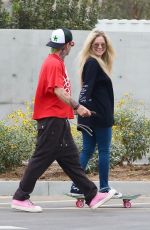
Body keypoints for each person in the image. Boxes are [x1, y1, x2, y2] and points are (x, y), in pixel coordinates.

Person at [11, 28, 116, 212]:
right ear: (68, 45)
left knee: (71, 160)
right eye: (70, 45)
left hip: (58, 119)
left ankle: (91, 195)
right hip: (51, 119)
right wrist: (78, 107)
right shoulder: (53, 63)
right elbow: (58, 90)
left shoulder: (56, 62)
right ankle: (20, 197)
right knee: (41, 158)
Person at [70, 29, 122, 197]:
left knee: (88, 150)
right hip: (99, 117)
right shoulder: (92, 63)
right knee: (104, 151)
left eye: (102, 45)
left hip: (92, 116)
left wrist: (85, 112)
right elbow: (86, 91)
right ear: (90, 46)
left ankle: (76, 186)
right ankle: (105, 187)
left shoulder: (95, 63)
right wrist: (88, 111)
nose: (100, 47)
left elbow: (86, 90)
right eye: (96, 44)